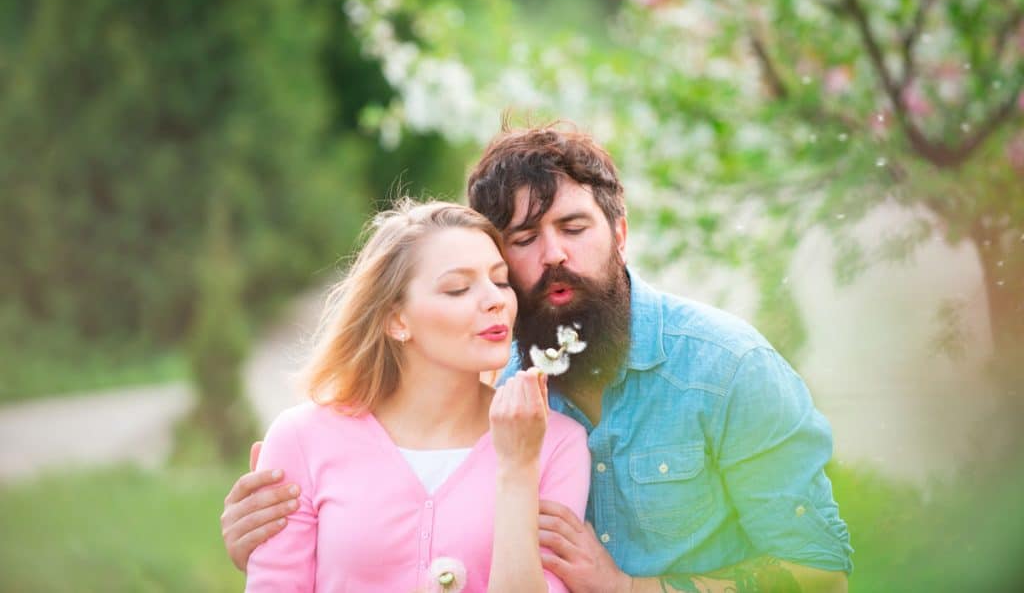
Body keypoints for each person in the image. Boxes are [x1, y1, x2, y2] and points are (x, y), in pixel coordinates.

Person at [222, 122, 853, 592]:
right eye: (524, 239)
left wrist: (633, 590)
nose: (553, 254)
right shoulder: (491, 369)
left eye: (574, 229)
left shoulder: (727, 370)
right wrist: (276, 533)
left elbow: (820, 576)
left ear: (620, 233)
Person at [242, 199, 590, 592]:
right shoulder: (301, 439)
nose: (495, 300)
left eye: (501, 281)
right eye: (458, 288)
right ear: (396, 319)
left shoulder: (556, 444)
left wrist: (517, 468)